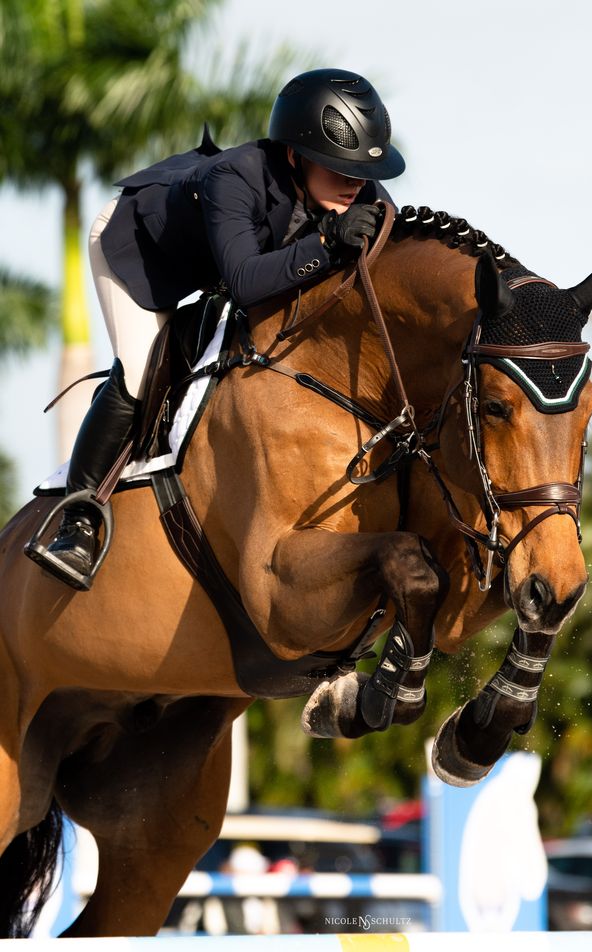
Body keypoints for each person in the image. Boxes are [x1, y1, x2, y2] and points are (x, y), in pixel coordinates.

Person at [26, 68, 405, 591]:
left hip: (216, 267)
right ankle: (78, 520)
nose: (353, 182)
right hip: (139, 254)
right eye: (336, 167)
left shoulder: (359, 191)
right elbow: (247, 283)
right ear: (294, 154)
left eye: (360, 170)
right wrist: (325, 245)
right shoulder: (234, 178)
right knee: (140, 371)